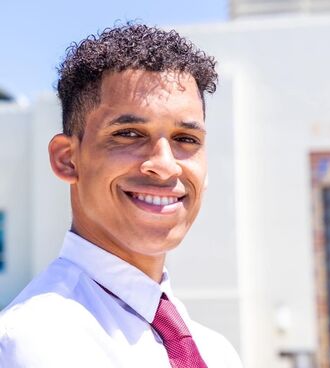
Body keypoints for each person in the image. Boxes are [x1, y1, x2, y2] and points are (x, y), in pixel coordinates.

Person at [0, 24, 243, 368]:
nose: (165, 165)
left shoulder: (217, 352)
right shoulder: (35, 343)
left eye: (186, 139)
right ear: (68, 160)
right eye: (129, 134)